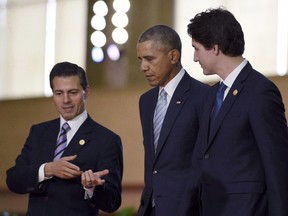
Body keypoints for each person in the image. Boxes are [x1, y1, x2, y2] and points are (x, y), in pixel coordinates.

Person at [181, 7, 288, 216]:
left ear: (215, 47)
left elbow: (278, 164)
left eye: (196, 48)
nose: (194, 57)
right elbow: (201, 160)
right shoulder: (211, 95)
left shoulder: (260, 91)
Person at [6, 62, 123, 216]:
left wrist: (92, 188)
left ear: (86, 92)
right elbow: (14, 179)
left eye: (72, 92)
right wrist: (47, 169)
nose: (65, 100)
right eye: (59, 93)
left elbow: (112, 201)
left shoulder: (106, 140)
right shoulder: (39, 132)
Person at [136, 24, 209, 216]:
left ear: (173, 56)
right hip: (149, 209)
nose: (143, 67)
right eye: (141, 59)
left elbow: (204, 163)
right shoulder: (146, 101)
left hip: (188, 209)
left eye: (149, 59)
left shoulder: (204, 97)